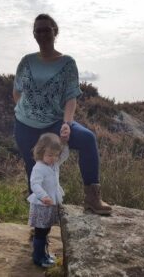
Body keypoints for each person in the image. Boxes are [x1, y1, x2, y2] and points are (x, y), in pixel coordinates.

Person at [13, 13, 112, 215]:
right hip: (25, 126)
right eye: (38, 30)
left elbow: (71, 97)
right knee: (35, 171)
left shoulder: (67, 63)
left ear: (55, 32)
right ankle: (39, 225)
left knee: (86, 139)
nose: (42, 34)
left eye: (46, 29)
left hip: (55, 122)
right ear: (34, 34)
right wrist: (29, 111)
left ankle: (93, 198)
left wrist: (67, 123)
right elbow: (17, 91)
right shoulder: (26, 61)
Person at [27, 133, 68, 267]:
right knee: (40, 232)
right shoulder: (39, 167)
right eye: (50, 155)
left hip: (50, 205)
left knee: (46, 230)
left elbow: (64, 154)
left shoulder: (54, 164)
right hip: (41, 205)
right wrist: (43, 196)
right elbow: (35, 184)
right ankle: (38, 257)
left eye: (56, 155)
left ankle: (44, 254)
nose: (53, 158)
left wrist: (65, 141)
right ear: (41, 152)